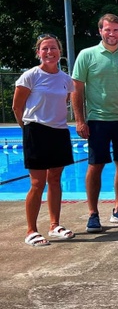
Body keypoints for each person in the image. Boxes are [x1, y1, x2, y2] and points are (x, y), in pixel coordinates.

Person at [72, 13, 118, 233]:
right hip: (97, 120)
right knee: (95, 166)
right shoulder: (87, 55)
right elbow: (77, 89)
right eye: (107, 29)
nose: (111, 33)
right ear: (100, 31)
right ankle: (93, 214)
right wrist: (79, 120)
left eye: (115, 30)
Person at [13, 34, 75, 247]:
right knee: (37, 183)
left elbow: (64, 103)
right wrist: (28, 130)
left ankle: (54, 225)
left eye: (53, 48)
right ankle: (31, 230)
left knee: (56, 180)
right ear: (38, 52)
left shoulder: (66, 79)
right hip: (36, 131)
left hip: (59, 131)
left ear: (60, 52)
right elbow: (17, 107)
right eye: (45, 49)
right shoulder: (30, 76)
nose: (49, 52)